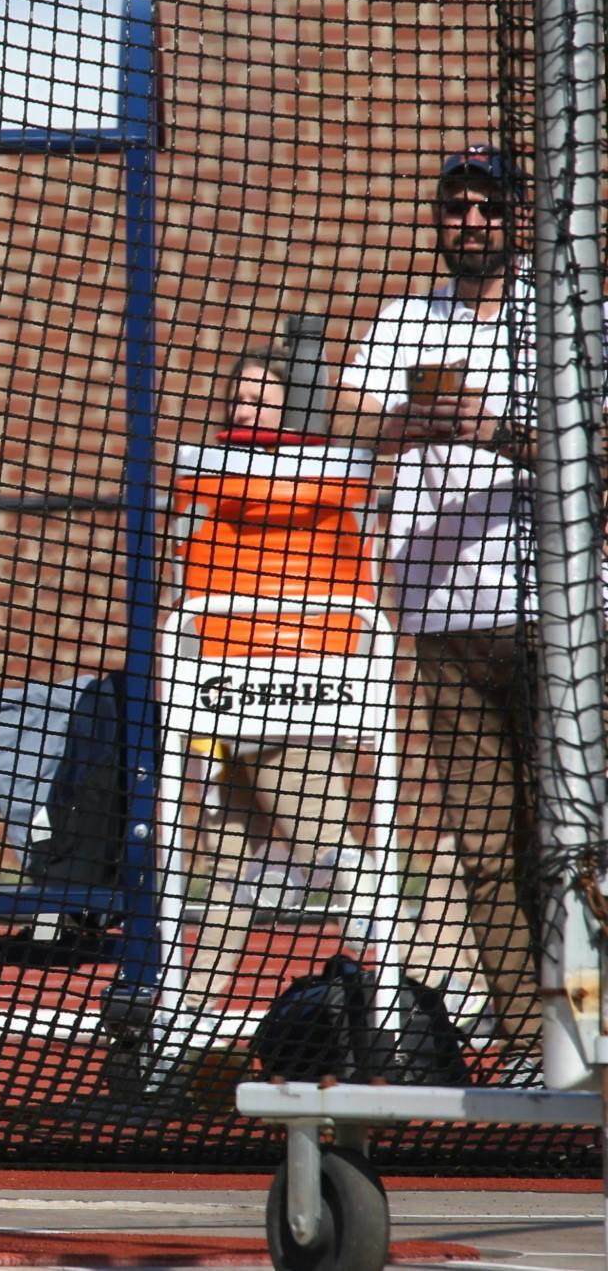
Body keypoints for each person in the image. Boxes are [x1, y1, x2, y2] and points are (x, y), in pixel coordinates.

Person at [327, 143, 541, 1063]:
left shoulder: (563, 318)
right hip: (444, 620)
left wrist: (494, 432)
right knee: (485, 848)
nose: (471, 223)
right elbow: (341, 417)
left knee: (573, 839)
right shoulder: (407, 319)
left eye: (486, 207)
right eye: (455, 208)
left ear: (515, 216)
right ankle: (535, 1039)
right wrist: (412, 423)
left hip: (557, 616)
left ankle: (593, 1015)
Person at [172, 347, 376, 1010]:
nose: (245, 408)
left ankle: (429, 976)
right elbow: (185, 587)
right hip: (225, 690)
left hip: (297, 692)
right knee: (229, 866)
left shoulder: (328, 480)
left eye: (262, 397)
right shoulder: (203, 481)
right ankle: (192, 1011)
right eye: (239, 396)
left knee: (331, 848)